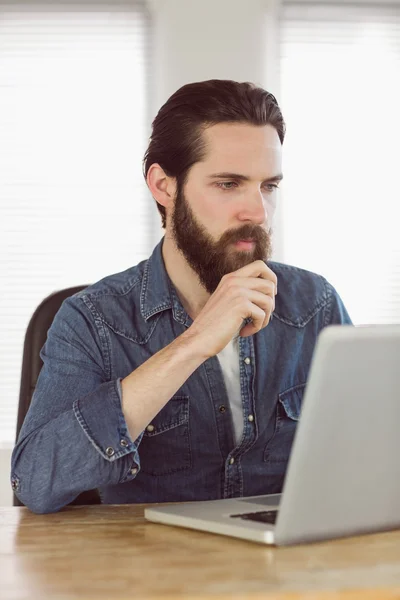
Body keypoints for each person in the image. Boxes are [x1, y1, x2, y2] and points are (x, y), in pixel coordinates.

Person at [11, 80, 352, 514]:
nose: (258, 212)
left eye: (269, 187)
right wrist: (194, 343)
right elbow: (36, 481)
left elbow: (371, 459)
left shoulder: (316, 305)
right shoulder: (93, 320)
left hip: (288, 571)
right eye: (229, 184)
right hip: (155, 572)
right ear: (163, 186)